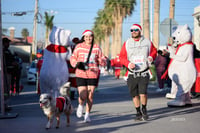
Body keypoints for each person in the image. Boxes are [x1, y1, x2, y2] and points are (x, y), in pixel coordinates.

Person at [119, 24, 157, 121]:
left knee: (142, 93)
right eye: (131, 30)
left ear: (140, 31)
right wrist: (128, 64)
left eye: (136, 30)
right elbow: (122, 57)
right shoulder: (127, 43)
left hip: (144, 72)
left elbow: (154, 51)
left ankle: (144, 109)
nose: (133, 31)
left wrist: (151, 57)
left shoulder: (147, 42)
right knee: (134, 94)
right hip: (132, 73)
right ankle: (138, 111)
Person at [70, 30, 107, 122]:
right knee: (83, 95)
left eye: (90, 36)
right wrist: (75, 64)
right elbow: (73, 57)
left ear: (92, 37)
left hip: (93, 74)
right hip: (81, 73)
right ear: (83, 37)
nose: (88, 38)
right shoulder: (79, 47)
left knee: (90, 96)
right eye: (86, 37)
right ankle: (80, 105)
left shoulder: (96, 48)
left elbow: (102, 58)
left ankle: (87, 114)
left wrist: (102, 61)